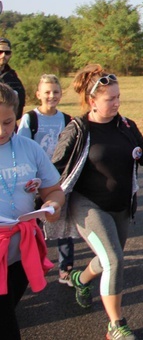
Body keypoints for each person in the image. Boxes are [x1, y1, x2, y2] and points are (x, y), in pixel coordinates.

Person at [46, 64, 143, 340]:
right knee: (113, 259)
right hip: (87, 205)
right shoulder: (78, 129)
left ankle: (80, 280)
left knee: (110, 259)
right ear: (91, 101)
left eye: (118, 97)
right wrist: (46, 196)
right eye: (110, 99)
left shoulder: (126, 125)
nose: (116, 103)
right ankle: (116, 324)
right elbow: (54, 168)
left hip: (120, 205)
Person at [0, 82, 65, 340]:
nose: (2, 130)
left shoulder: (29, 149)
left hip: (22, 254)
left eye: (7, 122)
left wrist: (53, 205)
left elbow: (54, 190)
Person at [17, 74, 74, 286]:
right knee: (33, 227)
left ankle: (65, 268)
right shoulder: (30, 119)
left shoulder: (67, 120)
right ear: (38, 94)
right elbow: (21, 149)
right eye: (47, 92)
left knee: (61, 223)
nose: (52, 96)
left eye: (56, 92)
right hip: (34, 183)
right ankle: (34, 266)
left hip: (57, 181)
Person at [0, 38, 26, 120]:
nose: (3, 55)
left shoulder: (14, 79)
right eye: (0, 52)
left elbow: (19, 107)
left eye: (7, 52)